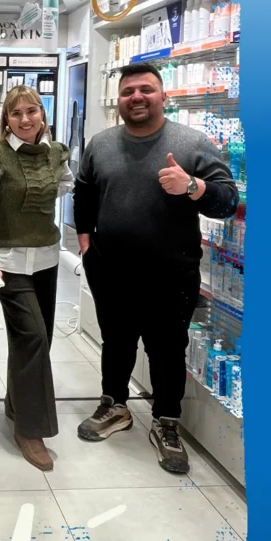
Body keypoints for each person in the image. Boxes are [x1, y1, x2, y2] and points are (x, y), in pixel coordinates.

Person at [74, 63, 239, 473]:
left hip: (171, 272)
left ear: (164, 96)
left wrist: (192, 186)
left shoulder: (192, 143)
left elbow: (228, 200)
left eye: (146, 89)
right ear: (120, 100)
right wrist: (85, 239)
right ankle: (114, 406)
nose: (136, 97)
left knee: (167, 350)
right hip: (111, 268)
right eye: (128, 91)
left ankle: (167, 422)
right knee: (116, 342)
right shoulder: (101, 144)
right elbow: (84, 190)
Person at [0, 85, 74, 471]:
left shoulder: (56, 153)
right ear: (6, 119)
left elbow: (66, 184)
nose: (25, 119)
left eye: (32, 111)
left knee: (36, 341)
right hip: (8, 263)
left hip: (47, 259)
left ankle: (16, 404)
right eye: (16, 113)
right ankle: (31, 431)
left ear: (42, 114)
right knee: (33, 337)